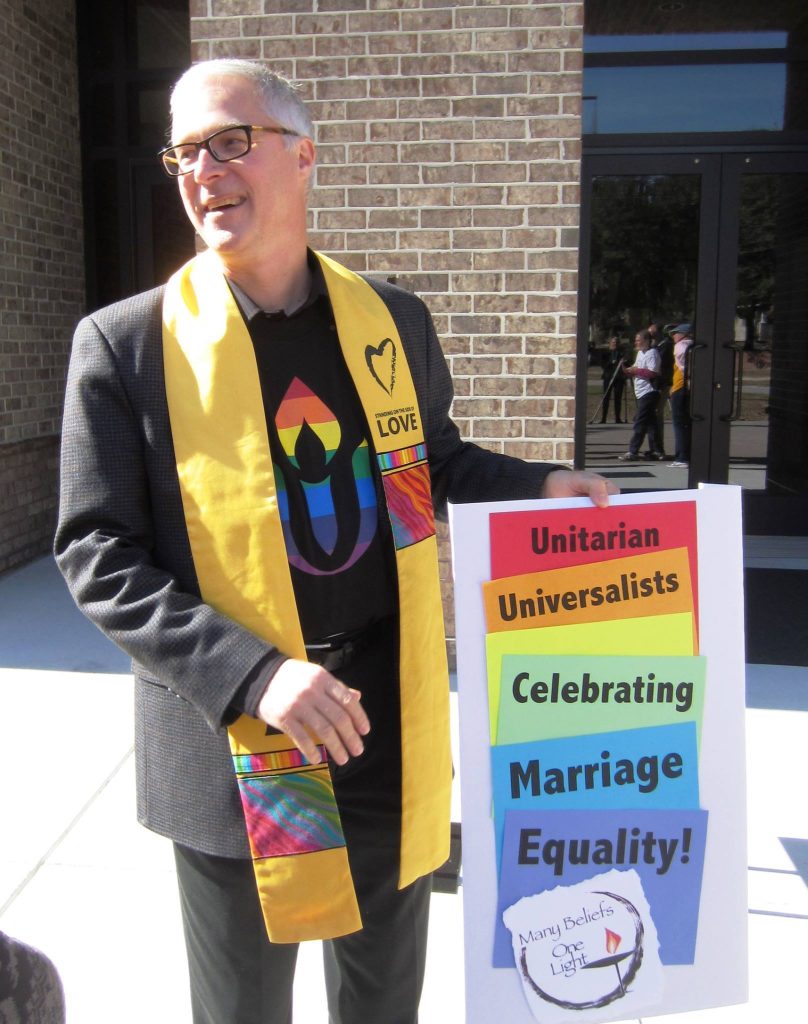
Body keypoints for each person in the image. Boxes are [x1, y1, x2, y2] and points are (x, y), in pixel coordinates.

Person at [54, 59, 616, 1024]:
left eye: (231, 141)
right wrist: (253, 673)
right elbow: (98, 553)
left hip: (380, 724)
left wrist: (538, 486)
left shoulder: (388, 320)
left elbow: (425, 464)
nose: (203, 170)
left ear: (302, 154)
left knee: (382, 999)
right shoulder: (127, 345)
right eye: (185, 151)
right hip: (240, 742)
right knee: (243, 1011)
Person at [619, 328, 663, 462]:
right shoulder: (640, 353)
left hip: (649, 391)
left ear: (647, 341)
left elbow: (653, 373)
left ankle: (633, 450)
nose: (636, 343)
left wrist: (637, 370)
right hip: (640, 391)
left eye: (639, 340)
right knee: (651, 423)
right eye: (636, 340)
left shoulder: (652, 353)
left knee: (640, 421)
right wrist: (628, 370)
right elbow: (636, 367)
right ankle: (657, 450)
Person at [669, 323, 694, 467]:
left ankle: (681, 457)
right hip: (690, 388)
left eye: (676, 333)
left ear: (684, 334)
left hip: (679, 387)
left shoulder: (681, 346)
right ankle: (688, 455)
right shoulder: (697, 347)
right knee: (688, 423)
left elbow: (682, 359)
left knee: (679, 424)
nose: (673, 336)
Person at [648, 320, 673, 458]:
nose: (650, 336)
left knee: (656, 415)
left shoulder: (665, 346)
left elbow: (657, 364)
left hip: (662, 384)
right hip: (653, 385)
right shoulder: (655, 347)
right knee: (652, 417)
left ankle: (658, 449)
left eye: (653, 334)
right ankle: (654, 447)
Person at [599, 335, 625, 423]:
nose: (615, 344)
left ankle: (617, 418)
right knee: (606, 398)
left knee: (618, 398)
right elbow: (603, 365)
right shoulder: (605, 353)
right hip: (608, 377)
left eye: (617, 342)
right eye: (613, 342)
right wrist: (611, 362)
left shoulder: (622, 353)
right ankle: (603, 418)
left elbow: (626, 364)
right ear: (610, 343)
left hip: (619, 378)